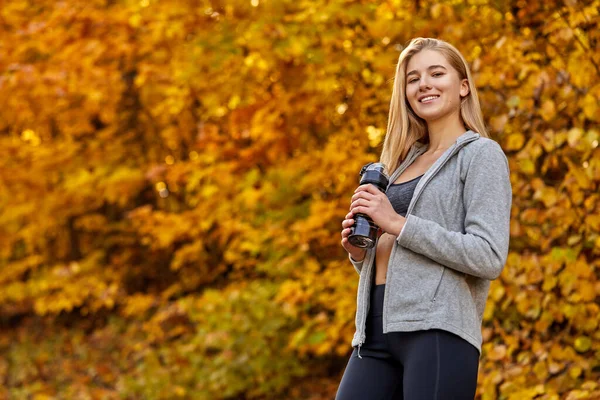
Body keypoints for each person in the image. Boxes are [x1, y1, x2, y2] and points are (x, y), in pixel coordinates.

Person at [335, 37, 512, 399]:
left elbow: (488, 255)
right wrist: (360, 253)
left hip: (437, 328)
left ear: (463, 86)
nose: (424, 84)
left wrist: (396, 222)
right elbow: (401, 254)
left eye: (436, 73)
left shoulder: (481, 155)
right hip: (374, 328)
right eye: (413, 78)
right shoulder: (399, 164)